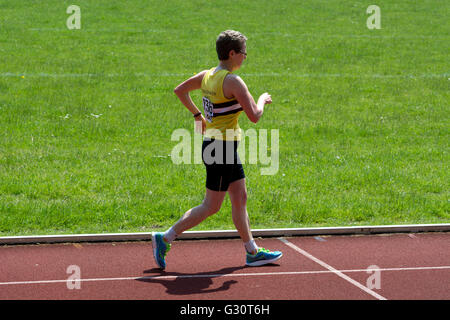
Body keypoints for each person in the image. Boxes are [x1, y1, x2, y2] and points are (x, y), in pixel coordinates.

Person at [151, 30, 282, 269]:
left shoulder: (207, 75)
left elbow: (179, 90)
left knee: (240, 197)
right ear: (232, 53)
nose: (245, 57)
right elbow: (254, 116)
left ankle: (252, 251)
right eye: (243, 53)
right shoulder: (232, 81)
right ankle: (165, 237)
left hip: (219, 146)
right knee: (211, 205)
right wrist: (263, 99)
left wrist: (197, 115)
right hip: (221, 148)